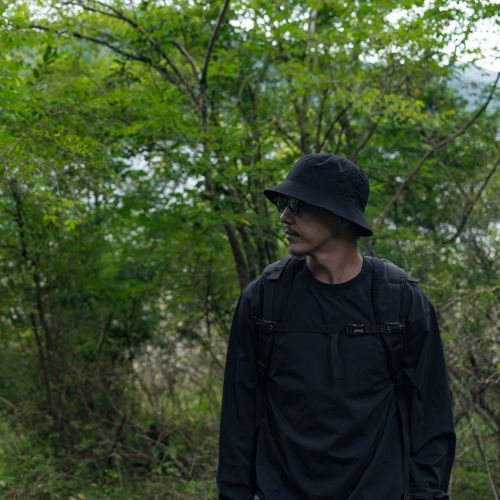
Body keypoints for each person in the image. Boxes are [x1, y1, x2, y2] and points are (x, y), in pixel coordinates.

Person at [217, 153, 455, 500]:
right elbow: (238, 419)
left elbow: (432, 419)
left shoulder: (399, 301)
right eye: (283, 204)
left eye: (297, 205)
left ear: (340, 214)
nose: (284, 216)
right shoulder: (264, 300)